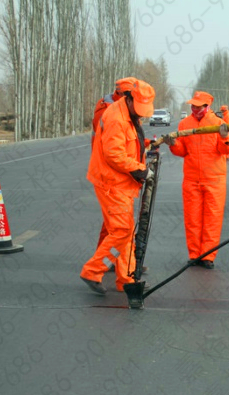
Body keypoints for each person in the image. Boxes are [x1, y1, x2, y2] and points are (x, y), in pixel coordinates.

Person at [80, 79, 156, 295]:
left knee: (125, 231)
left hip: (120, 182)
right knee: (122, 231)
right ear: (129, 98)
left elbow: (128, 143)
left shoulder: (129, 114)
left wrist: (150, 144)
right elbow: (114, 155)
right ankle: (93, 270)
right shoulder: (116, 118)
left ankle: (127, 279)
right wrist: (141, 171)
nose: (141, 114)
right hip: (111, 182)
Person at [163, 91, 229, 269]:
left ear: (207, 106)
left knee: (212, 219)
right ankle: (194, 255)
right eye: (193, 105)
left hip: (215, 179)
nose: (195, 108)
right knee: (192, 219)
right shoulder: (185, 124)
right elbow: (182, 151)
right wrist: (173, 144)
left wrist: (225, 137)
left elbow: (226, 151)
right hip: (192, 179)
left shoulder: (219, 124)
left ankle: (208, 256)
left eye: (198, 106)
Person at [91, 77, 136, 249]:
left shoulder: (120, 108)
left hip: (117, 171)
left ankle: (112, 260)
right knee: (118, 222)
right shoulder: (111, 112)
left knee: (115, 221)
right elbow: (113, 148)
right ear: (125, 95)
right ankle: (109, 263)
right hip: (111, 173)